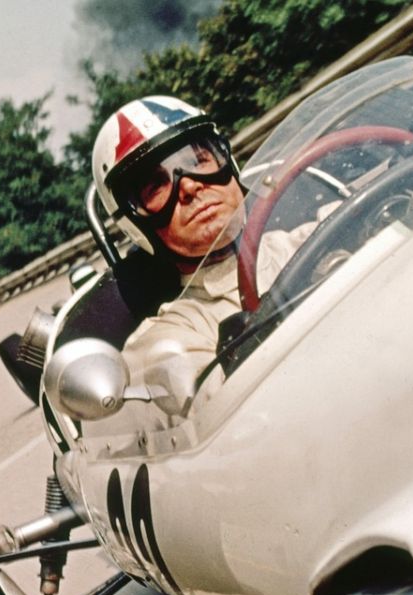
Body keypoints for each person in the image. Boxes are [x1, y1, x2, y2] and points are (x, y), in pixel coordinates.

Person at [91, 96, 317, 413]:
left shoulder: (312, 237)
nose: (190, 187)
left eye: (198, 161)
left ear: (227, 162)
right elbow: (219, 408)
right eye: (156, 185)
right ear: (134, 221)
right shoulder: (168, 340)